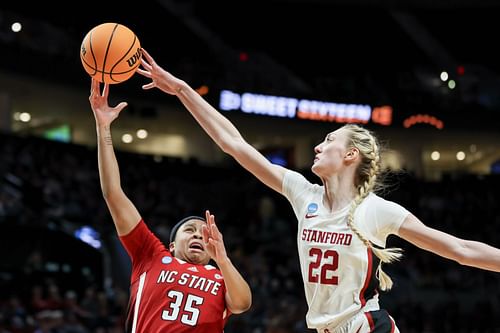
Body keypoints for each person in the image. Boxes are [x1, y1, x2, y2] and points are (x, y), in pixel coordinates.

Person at [136, 49, 500, 333]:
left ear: (350, 155)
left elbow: (461, 250)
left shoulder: (376, 210)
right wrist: (182, 89)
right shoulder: (302, 194)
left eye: (329, 140)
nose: (318, 146)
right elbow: (234, 143)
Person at [88, 79, 252, 332]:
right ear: (172, 244)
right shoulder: (151, 255)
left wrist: (223, 259)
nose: (198, 233)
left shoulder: (221, 276)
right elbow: (113, 194)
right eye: (190, 230)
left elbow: (242, 304)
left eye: (204, 232)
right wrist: (103, 129)